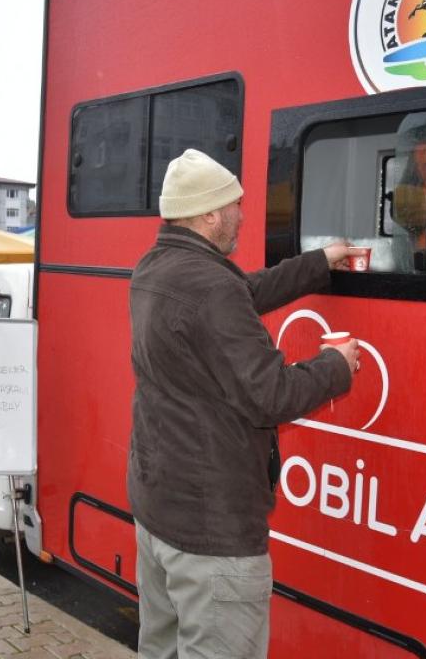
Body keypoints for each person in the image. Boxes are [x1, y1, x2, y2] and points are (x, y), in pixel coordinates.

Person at [128, 148, 360, 658]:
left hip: (159, 510)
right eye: (235, 205)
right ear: (210, 213)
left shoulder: (156, 268)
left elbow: (238, 293)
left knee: (161, 650)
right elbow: (271, 394)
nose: (242, 214)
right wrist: (335, 365)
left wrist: (317, 264)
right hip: (212, 531)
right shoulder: (209, 287)